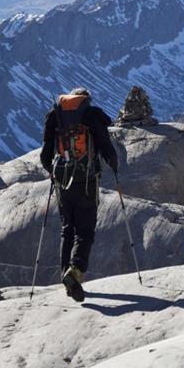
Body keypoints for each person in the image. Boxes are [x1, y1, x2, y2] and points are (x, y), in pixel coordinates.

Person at [40, 87, 118, 302]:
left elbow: (45, 154)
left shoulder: (54, 117)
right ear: (86, 100)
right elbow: (106, 146)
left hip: (62, 181)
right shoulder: (92, 116)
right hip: (86, 182)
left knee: (67, 230)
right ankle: (75, 271)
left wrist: (53, 172)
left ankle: (67, 279)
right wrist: (114, 165)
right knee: (84, 232)